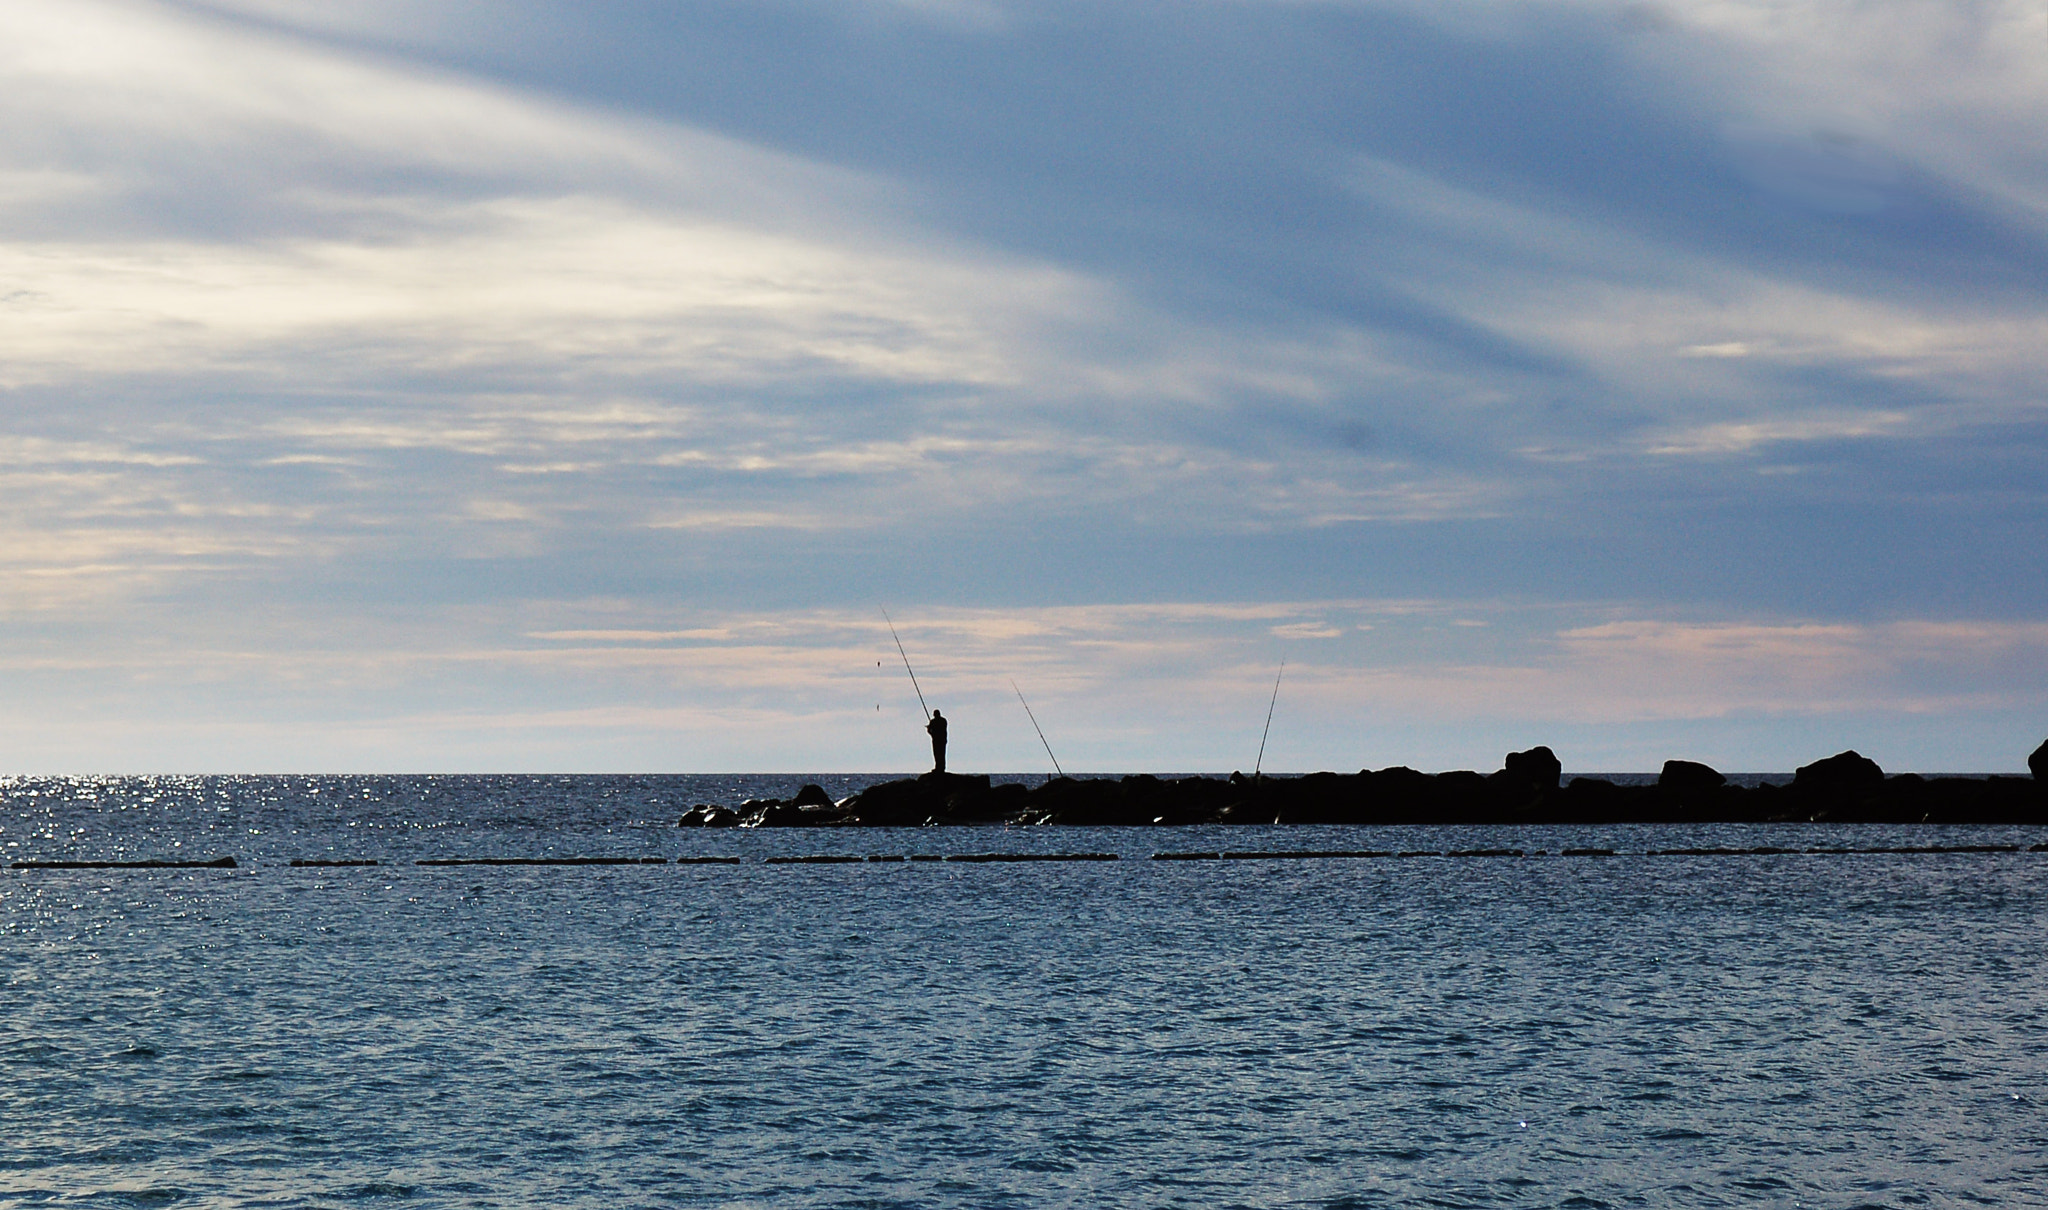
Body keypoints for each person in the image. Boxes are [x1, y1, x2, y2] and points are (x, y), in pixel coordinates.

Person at [926, 709, 947, 774]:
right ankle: (942, 768)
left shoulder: (933, 721)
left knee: (937, 754)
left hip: (936, 740)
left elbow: (929, 731)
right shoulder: (943, 720)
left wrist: (931, 732)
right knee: (942, 754)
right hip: (943, 740)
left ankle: (938, 767)